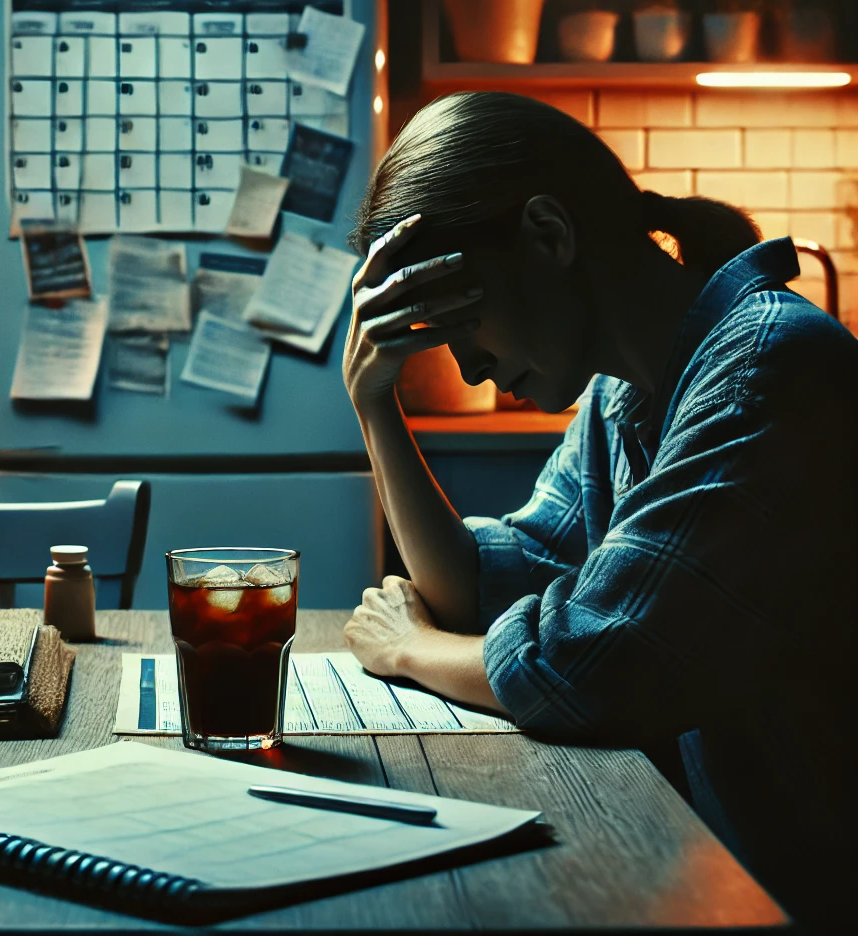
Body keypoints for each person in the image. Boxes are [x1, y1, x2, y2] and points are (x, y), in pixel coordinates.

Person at [341, 91, 856, 931]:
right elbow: (477, 588)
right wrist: (374, 408)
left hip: (813, 887)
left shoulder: (766, 370)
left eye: (466, 322)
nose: (469, 368)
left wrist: (412, 650)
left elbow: (591, 669)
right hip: (732, 872)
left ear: (549, 235)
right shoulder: (625, 393)